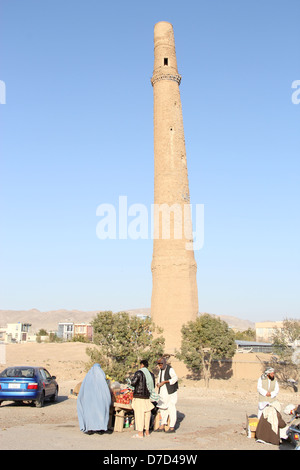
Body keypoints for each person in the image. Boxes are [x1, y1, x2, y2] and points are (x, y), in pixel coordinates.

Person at [77, 363, 112, 434]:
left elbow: (82, 391)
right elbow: (106, 392)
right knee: (100, 412)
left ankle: (89, 428)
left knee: (89, 413)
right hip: (100, 400)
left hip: (89, 400)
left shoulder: (88, 377)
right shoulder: (101, 377)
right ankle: (100, 428)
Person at [129, 359, 155, 439]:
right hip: (147, 397)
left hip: (139, 396)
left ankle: (140, 433)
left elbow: (133, 383)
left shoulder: (139, 373)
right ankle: (147, 431)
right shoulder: (151, 374)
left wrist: (129, 381)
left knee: (139, 415)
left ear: (142, 365)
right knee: (147, 414)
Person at [155, 357, 178, 433]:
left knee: (171, 408)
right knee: (163, 408)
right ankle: (162, 425)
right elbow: (159, 380)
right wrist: (158, 384)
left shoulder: (170, 369)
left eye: (161, 364)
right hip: (163, 393)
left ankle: (172, 427)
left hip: (170, 392)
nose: (160, 366)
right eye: (159, 364)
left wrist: (165, 382)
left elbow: (175, 378)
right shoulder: (161, 370)